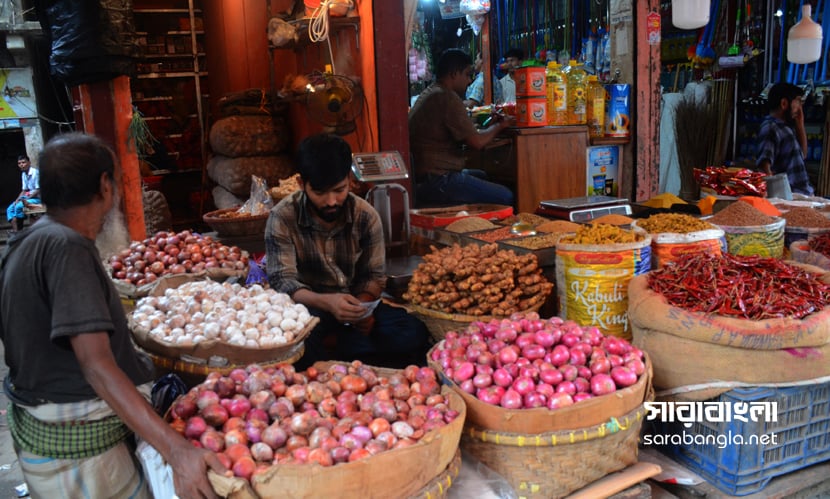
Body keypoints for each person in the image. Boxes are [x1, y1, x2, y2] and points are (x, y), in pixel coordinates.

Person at [0, 133, 226, 499]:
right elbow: (96, 366)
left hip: (50, 434)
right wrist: (178, 451)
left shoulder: (31, 240)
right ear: (106, 186)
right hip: (80, 450)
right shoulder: (66, 248)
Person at [265, 133, 431, 370]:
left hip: (354, 303)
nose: (332, 201)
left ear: (349, 179)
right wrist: (328, 303)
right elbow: (283, 281)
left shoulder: (365, 215)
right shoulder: (282, 217)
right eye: (320, 193)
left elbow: (373, 277)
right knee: (296, 343)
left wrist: (361, 310)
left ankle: (343, 351)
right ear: (302, 184)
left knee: (413, 332)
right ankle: (345, 353)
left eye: (339, 190)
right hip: (307, 307)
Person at [408, 48, 515, 207]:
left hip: (425, 177)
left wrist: (490, 126)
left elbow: (468, 133)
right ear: (453, 74)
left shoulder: (432, 92)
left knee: (482, 175)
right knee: (506, 196)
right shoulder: (446, 97)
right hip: (438, 180)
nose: (469, 81)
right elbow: (477, 142)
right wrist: (501, 125)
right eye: (466, 74)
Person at [756, 82, 814, 196]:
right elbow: (764, 166)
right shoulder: (771, 127)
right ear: (784, 103)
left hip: (800, 195)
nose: (800, 107)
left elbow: (803, 155)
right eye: (798, 101)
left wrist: (800, 125)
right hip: (789, 197)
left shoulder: (785, 127)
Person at [5, 154, 39, 234]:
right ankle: (16, 231)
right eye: (19, 163)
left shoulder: (35, 173)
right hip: (29, 197)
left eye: (23, 162)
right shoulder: (24, 174)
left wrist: (27, 199)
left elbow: (39, 190)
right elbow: (24, 190)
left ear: (29, 163)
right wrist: (17, 200)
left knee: (19, 206)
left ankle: (19, 231)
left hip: (38, 198)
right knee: (10, 208)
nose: (21, 165)